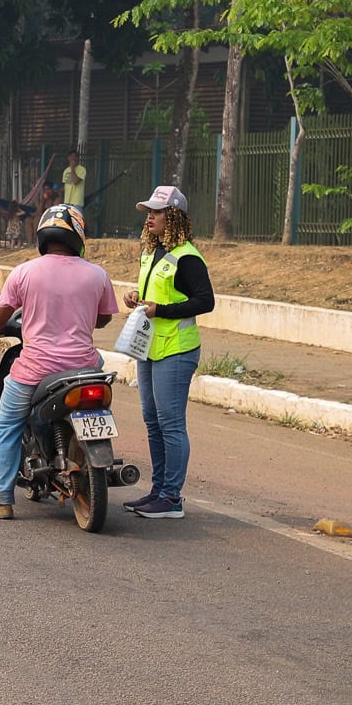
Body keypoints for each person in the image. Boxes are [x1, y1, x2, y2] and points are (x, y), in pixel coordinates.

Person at [0, 205, 118, 519]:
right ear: (78, 235)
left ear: (42, 234)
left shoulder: (25, 271)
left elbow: (2, 313)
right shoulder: (97, 274)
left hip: (35, 370)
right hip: (85, 367)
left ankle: (0, 499)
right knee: (100, 370)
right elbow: (104, 318)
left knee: (5, 426)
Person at [121, 186, 213, 519]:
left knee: (171, 424)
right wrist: (136, 297)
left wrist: (161, 309)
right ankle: (158, 490)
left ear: (172, 216)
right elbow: (155, 293)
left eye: (156, 212)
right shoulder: (151, 252)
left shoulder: (187, 256)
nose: (149, 217)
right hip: (149, 346)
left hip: (176, 349)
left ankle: (172, 497)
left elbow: (205, 301)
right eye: (148, 211)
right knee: (152, 421)